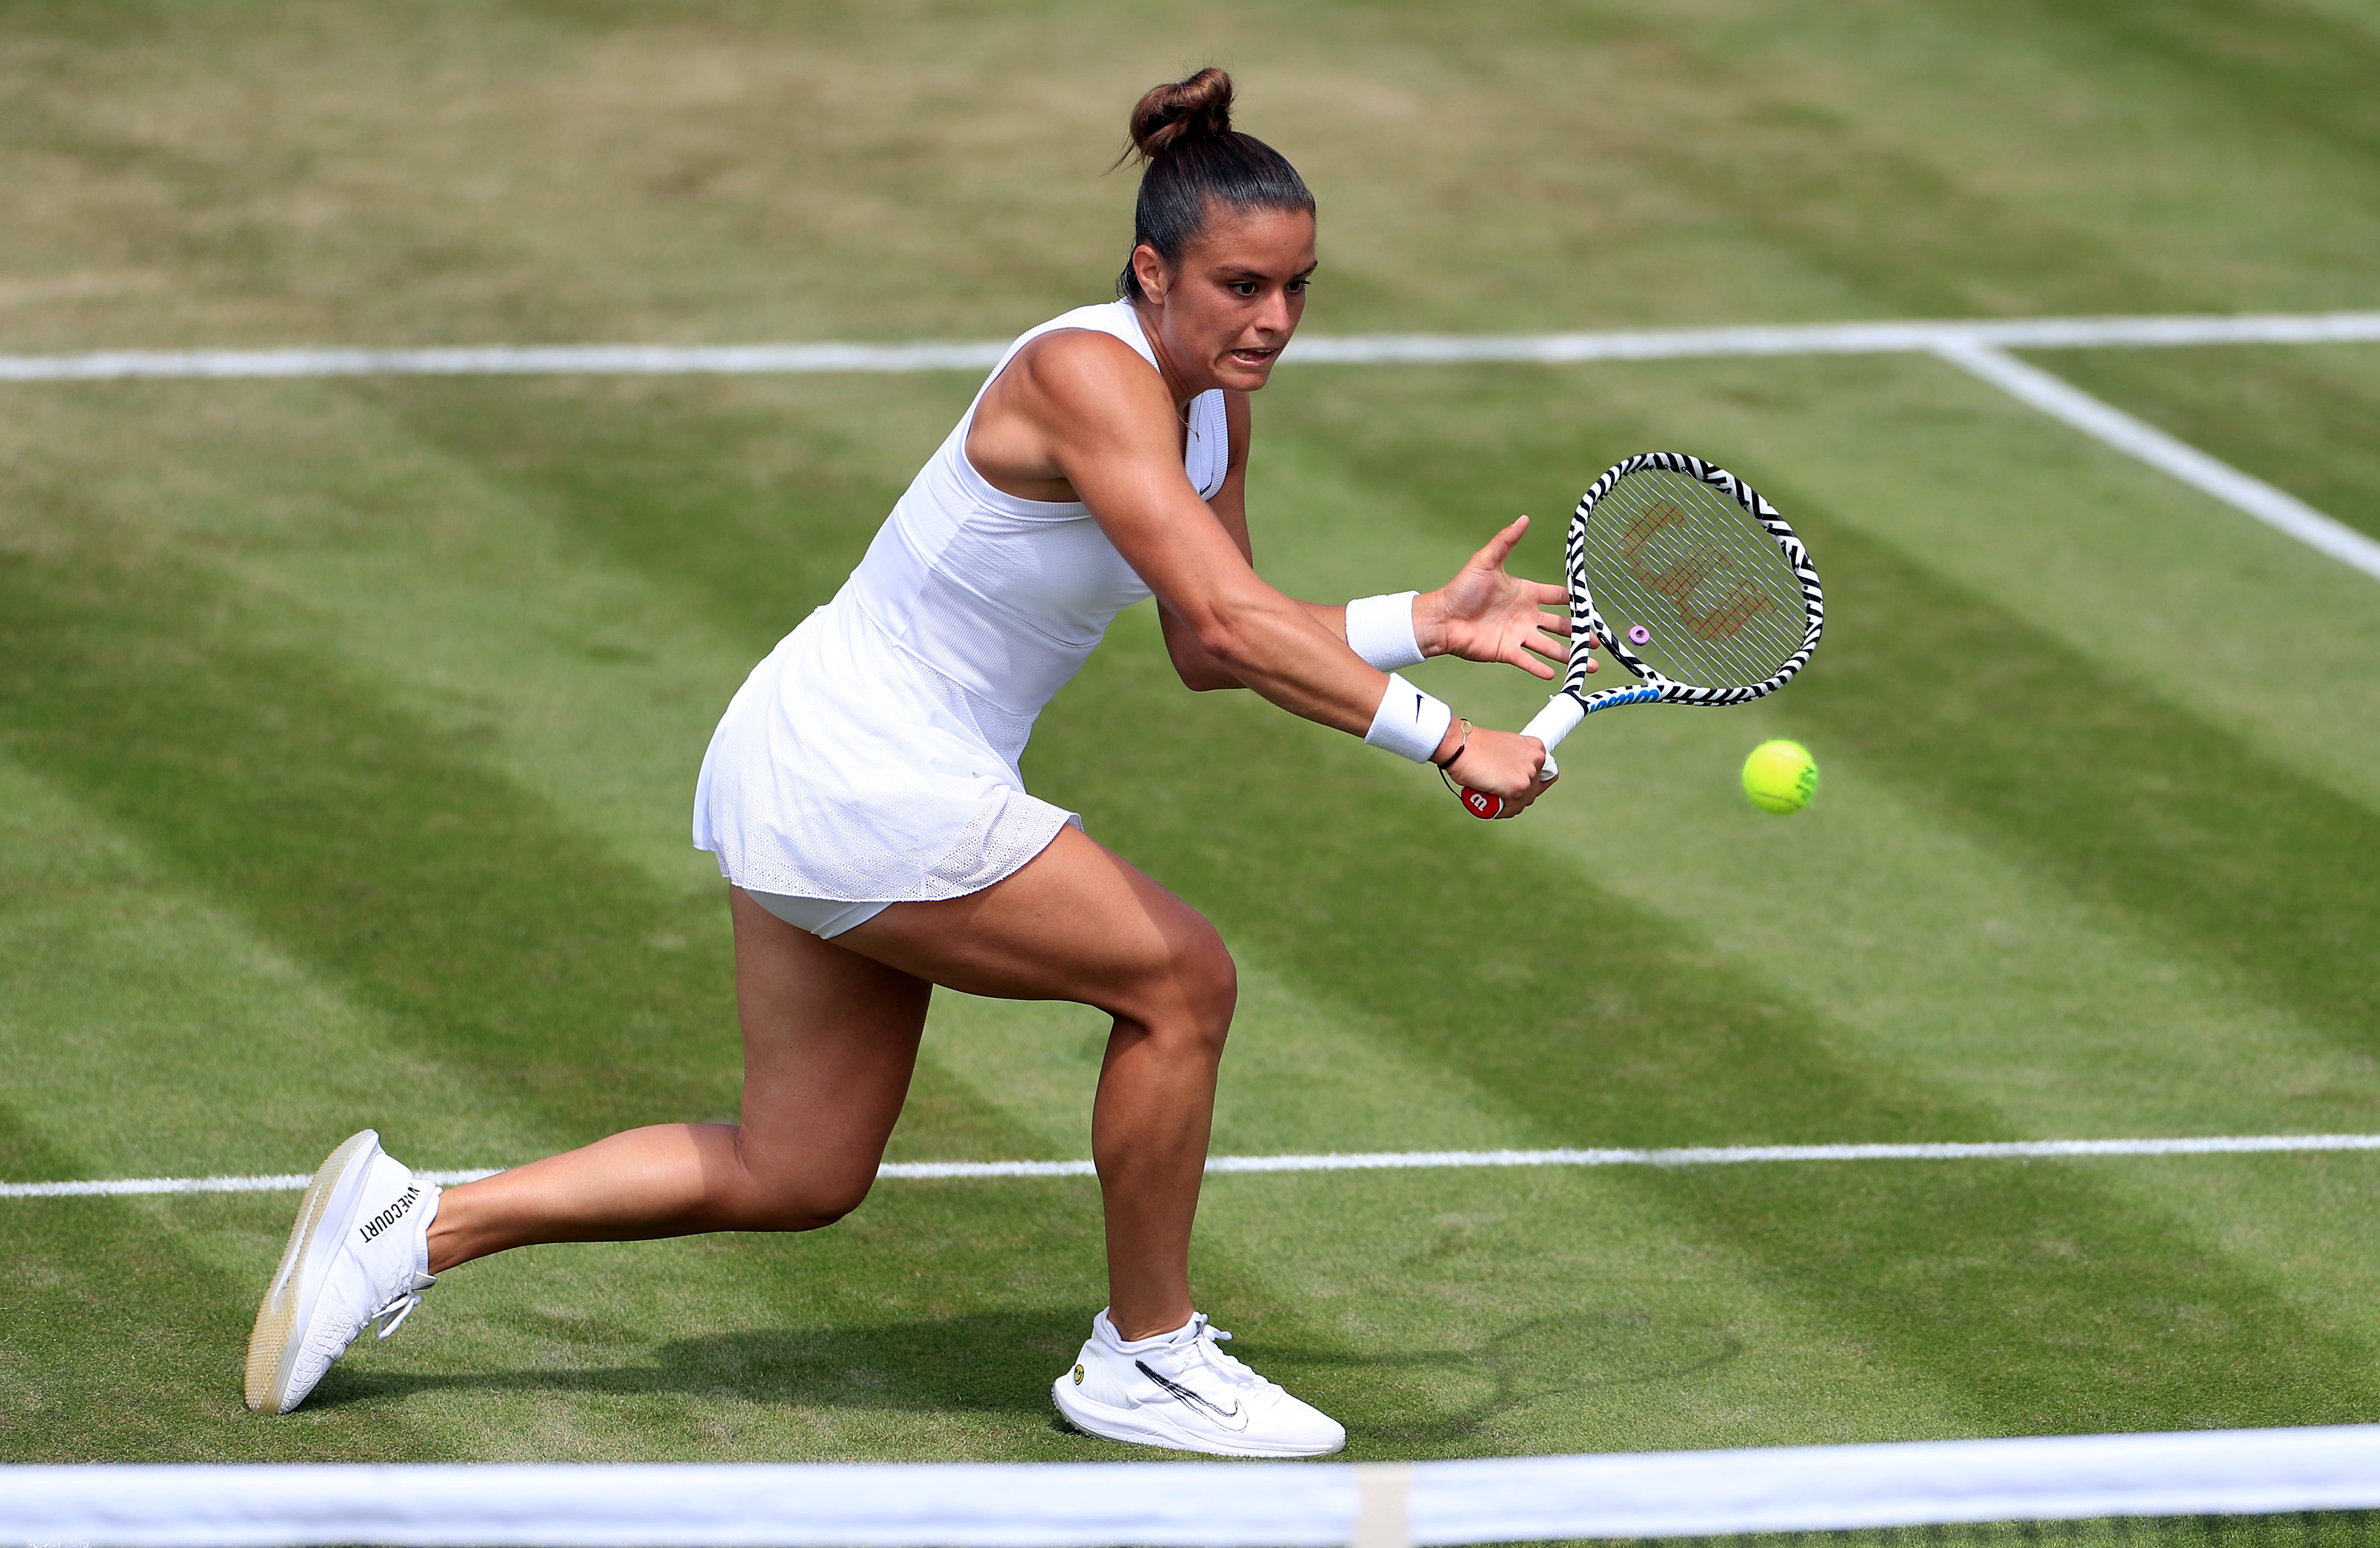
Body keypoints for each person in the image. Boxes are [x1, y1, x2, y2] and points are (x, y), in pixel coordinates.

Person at [243, 67, 1570, 1458]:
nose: (1276, 320)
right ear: (1149, 268)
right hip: (864, 773)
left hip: (818, 754)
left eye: (1297, 287)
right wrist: (1440, 738)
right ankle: (1147, 1353)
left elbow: (1207, 630)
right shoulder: (1080, 374)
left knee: (797, 1166)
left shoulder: (1210, 401)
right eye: (1242, 286)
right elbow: (1234, 621)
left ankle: (411, 1221)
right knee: (1181, 980)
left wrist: (1417, 624)